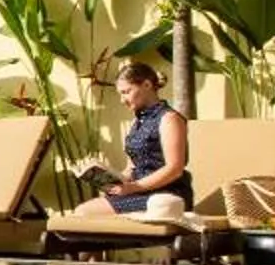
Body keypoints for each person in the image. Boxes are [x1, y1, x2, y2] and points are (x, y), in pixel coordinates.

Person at [69, 61, 192, 216]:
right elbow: (131, 168)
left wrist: (133, 187)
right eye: (120, 94)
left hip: (166, 194)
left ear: (147, 85)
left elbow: (174, 169)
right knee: (83, 211)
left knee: (85, 212)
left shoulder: (169, 118)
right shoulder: (138, 121)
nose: (122, 100)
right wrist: (110, 179)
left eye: (126, 92)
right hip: (140, 191)